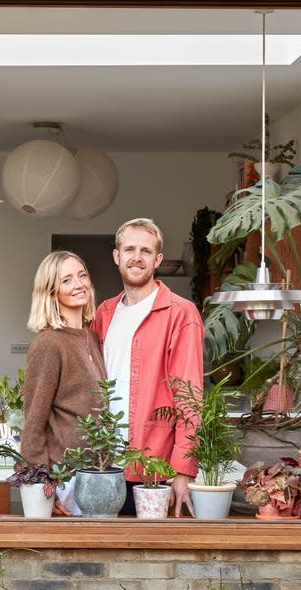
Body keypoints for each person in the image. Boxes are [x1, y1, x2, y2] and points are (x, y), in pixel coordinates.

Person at [91, 218, 204, 516]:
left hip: (155, 468)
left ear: (157, 260)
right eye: (129, 249)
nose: (136, 257)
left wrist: (183, 468)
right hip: (103, 464)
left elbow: (189, 396)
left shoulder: (180, 313)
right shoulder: (104, 313)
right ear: (117, 256)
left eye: (145, 250)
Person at [20, 251, 106, 478]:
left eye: (82, 275)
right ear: (51, 292)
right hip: (64, 475)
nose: (79, 285)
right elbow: (33, 421)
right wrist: (45, 482)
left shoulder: (91, 337)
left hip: (96, 471)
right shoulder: (49, 342)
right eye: (66, 280)